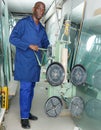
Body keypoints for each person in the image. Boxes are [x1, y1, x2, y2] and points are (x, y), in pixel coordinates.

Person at [9, 1, 50, 129]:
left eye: (43, 10)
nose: (41, 11)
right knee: (25, 90)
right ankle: (24, 118)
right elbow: (12, 38)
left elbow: (46, 43)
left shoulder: (42, 29)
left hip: (35, 65)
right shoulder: (24, 23)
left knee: (31, 91)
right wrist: (28, 45)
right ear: (34, 9)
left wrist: (51, 49)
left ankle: (27, 112)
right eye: (39, 8)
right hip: (25, 63)